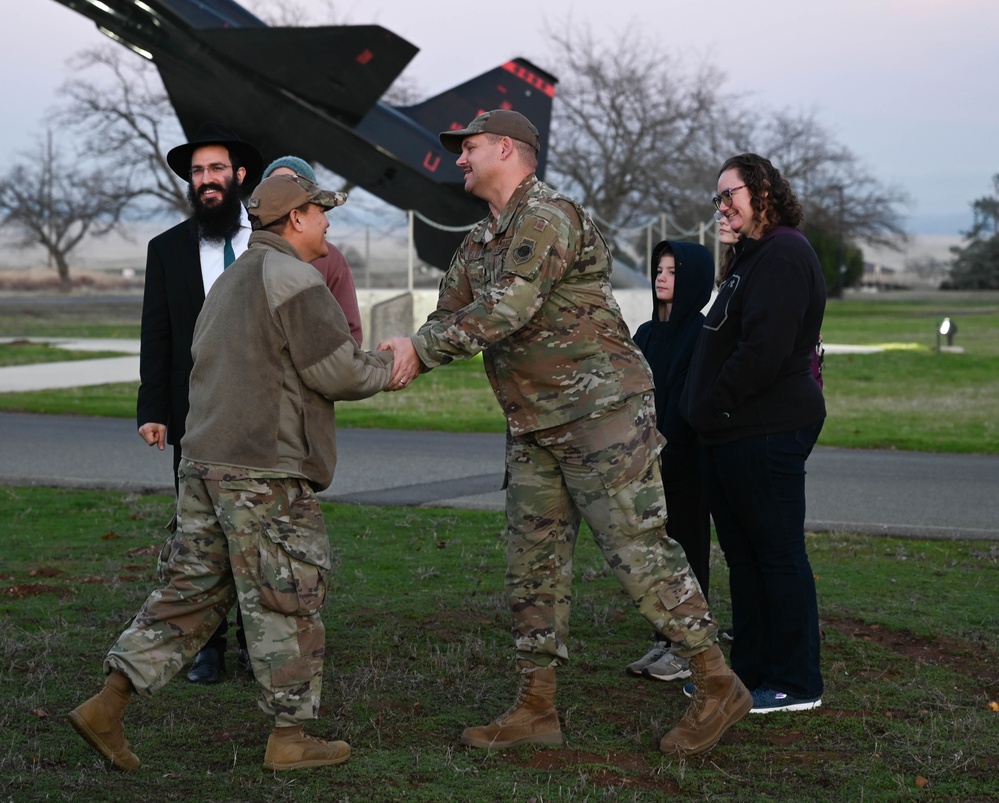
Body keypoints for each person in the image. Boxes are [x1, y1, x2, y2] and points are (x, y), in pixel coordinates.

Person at [379, 110, 751, 757]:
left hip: (600, 416)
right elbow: (450, 315)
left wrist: (420, 349)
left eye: (468, 148)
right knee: (532, 567)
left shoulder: (548, 215)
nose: (458, 160)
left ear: (506, 148)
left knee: (637, 553)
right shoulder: (479, 241)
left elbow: (505, 309)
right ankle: (535, 705)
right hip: (533, 425)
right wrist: (386, 358)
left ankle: (716, 681)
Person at [67, 174, 394, 772]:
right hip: (262, 471)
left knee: (191, 589)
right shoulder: (296, 280)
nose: (328, 224)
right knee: (286, 596)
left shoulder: (228, 282)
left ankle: (107, 706)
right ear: (295, 218)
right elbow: (341, 374)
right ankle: (290, 738)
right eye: (323, 213)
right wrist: (394, 361)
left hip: (203, 464)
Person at [682, 153, 826, 714]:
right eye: (717, 198)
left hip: (766, 429)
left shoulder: (785, 253)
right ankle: (750, 673)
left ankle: (795, 681)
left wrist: (711, 407)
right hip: (731, 434)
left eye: (729, 195)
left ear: (761, 191)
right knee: (742, 557)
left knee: (777, 553)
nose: (721, 206)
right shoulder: (748, 258)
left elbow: (762, 353)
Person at [136, 122, 263, 684]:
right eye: (197, 172)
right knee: (199, 535)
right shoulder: (167, 249)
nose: (206, 180)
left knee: (259, 534)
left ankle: (258, 643)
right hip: (195, 415)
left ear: (239, 176)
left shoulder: (272, 239)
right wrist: (153, 408)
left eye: (216, 169)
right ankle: (207, 646)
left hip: (265, 411)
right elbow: (155, 334)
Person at [625, 240, 714, 683]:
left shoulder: (701, 334)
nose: (662, 277)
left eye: (673, 271)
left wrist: (660, 447)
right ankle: (664, 638)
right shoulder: (644, 333)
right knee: (655, 556)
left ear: (693, 280)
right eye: (659, 269)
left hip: (684, 465)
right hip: (643, 463)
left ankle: (688, 650)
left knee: (688, 551)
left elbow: (685, 404)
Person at [261, 156, 364, 346]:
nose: (284, 193)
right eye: (276, 186)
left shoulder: (331, 259)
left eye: (294, 186)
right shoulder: (248, 257)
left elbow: (350, 334)